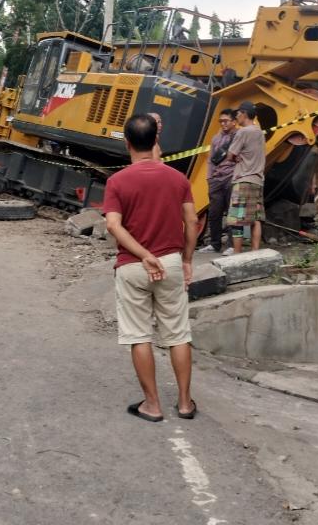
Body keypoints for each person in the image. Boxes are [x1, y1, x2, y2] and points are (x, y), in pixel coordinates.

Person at [102, 114, 198, 423]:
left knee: (139, 335)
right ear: (155, 141)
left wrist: (144, 254)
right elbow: (192, 222)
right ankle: (185, 403)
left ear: (127, 143)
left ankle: (152, 405)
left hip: (132, 266)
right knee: (178, 334)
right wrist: (186, 260)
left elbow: (113, 225)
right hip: (170, 263)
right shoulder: (178, 179)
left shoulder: (117, 181)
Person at [225, 101, 265, 253]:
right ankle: (255, 252)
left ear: (245, 114)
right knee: (256, 219)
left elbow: (230, 155)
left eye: (238, 114)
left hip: (243, 180)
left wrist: (235, 157)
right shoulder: (259, 132)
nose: (236, 117)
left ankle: (237, 253)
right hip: (258, 180)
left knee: (237, 220)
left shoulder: (243, 132)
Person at [198, 109, 237, 254]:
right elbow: (211, 160)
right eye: (221, 121)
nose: (223, 124)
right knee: (214, 213)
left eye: (226, 121)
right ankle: (215, 244)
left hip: (231, 177)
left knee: (232, 213)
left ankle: (232, 246)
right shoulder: (216, 138)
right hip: (216, 179)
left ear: (234, 121)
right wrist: (209, 178)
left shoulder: (239, 136)